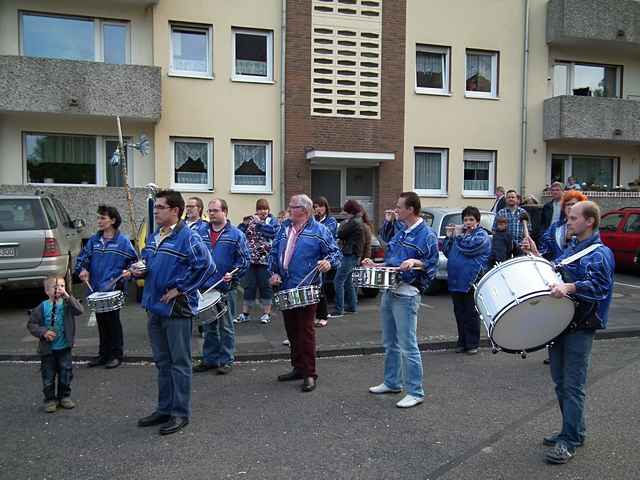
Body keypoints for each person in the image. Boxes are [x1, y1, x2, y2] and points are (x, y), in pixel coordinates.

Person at [523, 201, 614, 464]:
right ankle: (572, 430)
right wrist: (537, 257)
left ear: (589, 222)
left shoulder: (600, 253)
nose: (568, 222)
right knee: (561, 383)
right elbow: (556, 270)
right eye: (568, 217)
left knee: (573, 386)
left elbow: (600, 289)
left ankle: (570, 440)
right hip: (561, 323)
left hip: (581, 326)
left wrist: (571, 288)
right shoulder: (573, 248)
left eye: (573, 218)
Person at [132, 189, 215, 436]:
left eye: (160, 207)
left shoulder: (188, 237)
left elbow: (207, 266)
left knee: (179, 363)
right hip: (154, 307)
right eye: (155, 207)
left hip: (176, 310)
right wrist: (139, 269)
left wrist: (180, 288)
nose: (155, 211)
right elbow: (148, 260)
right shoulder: (157, 235)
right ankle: (164, 409)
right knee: (163, 362)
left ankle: (180, 413)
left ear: (175, 211)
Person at [364, 192, 438, 408]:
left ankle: (416, 391)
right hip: (389, 290)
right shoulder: (401, 231)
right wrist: (375, 266)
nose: (395, 210)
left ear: (411, 209)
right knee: (390, 342)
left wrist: (416, 261)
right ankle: (392, 382)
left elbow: (432, 265)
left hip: (407, 294)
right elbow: (392, 261)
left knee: (408, 345)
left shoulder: (427, 235)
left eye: (399, 207)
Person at [268, 194, 342, 393]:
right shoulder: (283, 228)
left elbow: (335, 254)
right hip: (285, 286)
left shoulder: (320, 231)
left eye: (293, 206)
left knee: (306, 332)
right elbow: (274, 253)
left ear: (305, 210)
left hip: (307, 288)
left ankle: (310, 373)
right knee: (292, 331)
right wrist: (273, 272)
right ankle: (298, 368)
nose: (289, 209)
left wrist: (328, 263)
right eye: (290, 206)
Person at [75, 205, 138, 369]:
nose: (99, 221)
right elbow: (83, 259)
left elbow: (134, 262)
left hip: (113, 289)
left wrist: (128, 272)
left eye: (103, 218)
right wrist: (82, 270)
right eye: (99, 218)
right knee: (101, 322)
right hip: (96, 288)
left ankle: (116, 355)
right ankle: (103, 355)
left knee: (113, 321)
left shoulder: (123, 241)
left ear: (113, 220)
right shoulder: (94, 241)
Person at [193, 198, 250, 375]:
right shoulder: (200, 232)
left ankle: (226, 360)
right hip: (204, 288)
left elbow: (244, 261)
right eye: (209, 211)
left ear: (224, 211)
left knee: (226, 327)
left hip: (226, 288)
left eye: (215, 211)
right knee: (209, 326)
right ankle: (209, 359)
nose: (211, 214)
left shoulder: (236, 234)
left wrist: (233, 274)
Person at [27, 276, 84, 413]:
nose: (59, 289)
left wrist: (67, 296)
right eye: (55, 287)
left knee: (66, 373)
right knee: (48, 376)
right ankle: (50, 399)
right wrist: (44, 332)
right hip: (48, 350)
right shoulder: (42, 306)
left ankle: (64, 396)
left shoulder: (67, 304)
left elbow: (80, 310)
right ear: (47, 291)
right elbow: (32, 324)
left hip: (64, 348)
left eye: (62, 286)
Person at [443, 206, 491, 355]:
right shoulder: (461, 235)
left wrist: (457, 236)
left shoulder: (482, 235)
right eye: (465, 219)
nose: (468, 222)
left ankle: (472, 343)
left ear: (477, 221)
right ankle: (462, 342)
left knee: (470, 313)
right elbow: (447, 251)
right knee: (459, 312)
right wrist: (449, 237)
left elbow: (469, 248)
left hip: (471, 279)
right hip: (456, 280)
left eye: (471, 219)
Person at [236, 199, 278, 324]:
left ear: (268, 209)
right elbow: (240, 233)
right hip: (251, 260)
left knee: (266, 287)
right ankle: (245, 314)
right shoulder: (251, 220)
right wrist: (243, 224)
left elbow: (272, 233)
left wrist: (260, 223)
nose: (262, 211)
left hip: (265, 261)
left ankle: (266, 314)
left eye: (265, 209)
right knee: (249, 287)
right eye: (260, 209)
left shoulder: (272, 221)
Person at [329, 200, 366, 318]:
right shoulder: (358, 221)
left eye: (345, 210)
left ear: (350, 210)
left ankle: (339, 309)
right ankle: (352, 306)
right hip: (354, 255)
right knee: (348, 281)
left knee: (338, 280)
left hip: (349, 254)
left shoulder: (353, 222)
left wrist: (343, 224)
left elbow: (340, 233)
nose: (343, 212)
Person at [538, 190, 588, 261]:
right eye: (567, 204)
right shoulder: (555, 227)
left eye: (574, 204)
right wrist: (535, 252)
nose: (570, 207)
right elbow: (544, 249)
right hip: (556, 268)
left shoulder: (587, 227)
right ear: (563, 208)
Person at [313, 197, 338, 327]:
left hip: (326, 257)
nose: (318, 209)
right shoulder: (315, 221)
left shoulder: (331, 221)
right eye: (316, 206)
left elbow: (327, 233)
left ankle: (323, 315)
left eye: (320, 206)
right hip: (315, 257)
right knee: (316, 287)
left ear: (326, 207)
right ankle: (318, 314)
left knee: (321, 286)